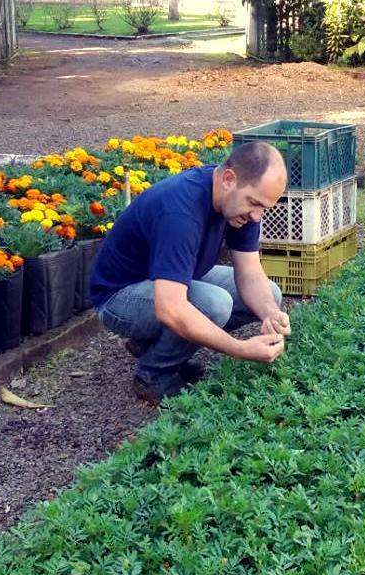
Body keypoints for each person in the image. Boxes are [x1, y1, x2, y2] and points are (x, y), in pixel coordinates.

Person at [90, 142, 291, 404]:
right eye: (254, 203)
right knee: (214, 304)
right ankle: (153, 373)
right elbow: (170, 308)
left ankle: (156, 346)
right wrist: (240, 349)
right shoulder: (181, 210)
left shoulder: (241, 205)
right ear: (229, 179)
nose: (257, 216)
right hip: (119, 297)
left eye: (264, 207)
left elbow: (251, 273)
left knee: (269, 295)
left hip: (169, 280)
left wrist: (270, 314)